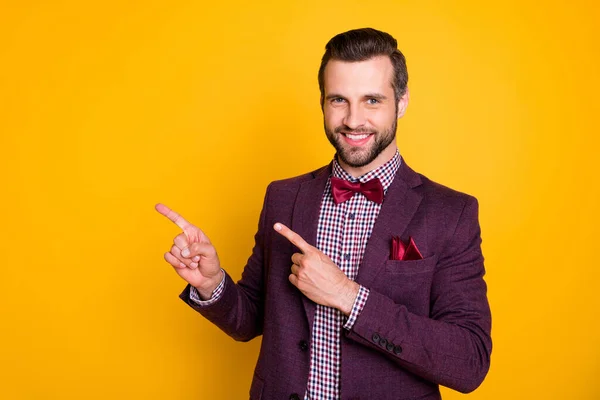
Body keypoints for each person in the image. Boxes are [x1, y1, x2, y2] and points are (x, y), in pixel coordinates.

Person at [156, 27, 492, 400]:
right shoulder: (283, 197)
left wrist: (349, 297)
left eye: (372, 101)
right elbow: (250, 318)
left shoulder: (450, 213)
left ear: (401, 102)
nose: (353, 120)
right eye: (338, 100)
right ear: (322, 102)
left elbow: (468, 361)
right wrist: (211, 283)